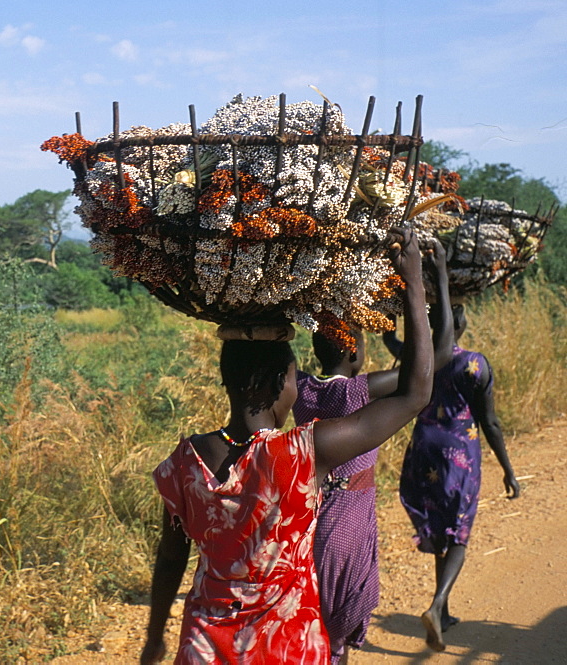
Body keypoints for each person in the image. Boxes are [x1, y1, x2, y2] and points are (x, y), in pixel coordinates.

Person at [140, 229, 434, 665]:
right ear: (277, 383)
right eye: (295, 378)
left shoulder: (184, 461)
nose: (297, 389)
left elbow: (170, 558)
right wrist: (414, 284)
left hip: (204, 645)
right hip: (285, 646)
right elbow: (416, 393)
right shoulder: (302, 453)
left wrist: (153, 640)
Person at [292, 239, 453, 664]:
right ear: (352, 350)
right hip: (347, 518)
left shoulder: (301, 389)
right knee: (336, 624)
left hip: (310, 513)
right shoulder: (357, 393)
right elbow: (432, 363)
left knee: (314, 615)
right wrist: (424, 283)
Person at [387, 300, 520, 652]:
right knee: (459, 531)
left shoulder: (421, 359)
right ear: (460, 322)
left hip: (423, 447)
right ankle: (435, 605)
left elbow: (391, 343)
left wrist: (390, 319)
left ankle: (442, 612)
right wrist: (508, 470)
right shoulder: (473, 363)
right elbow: (489, 421)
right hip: (459, 451)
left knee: (439, 523)